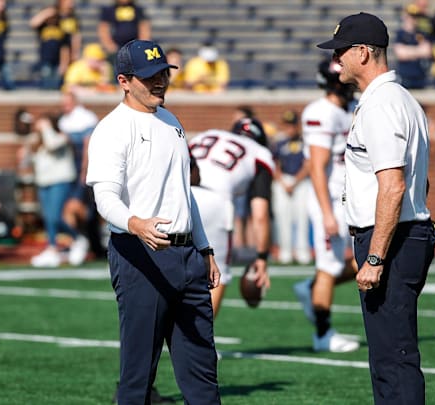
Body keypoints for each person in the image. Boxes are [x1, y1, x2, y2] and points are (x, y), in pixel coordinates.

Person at [85, 39, 223, 404]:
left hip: (187, 256)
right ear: (124, 81)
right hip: (140, 255)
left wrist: (205, 246)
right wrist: (136, 224)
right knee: (138, 374)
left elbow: (182, 192)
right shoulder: (112, 129)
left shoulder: (171, 121)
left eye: (163, 72)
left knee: (203, 372)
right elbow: (105, 198)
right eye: (149, 76)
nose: (160, 81)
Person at [318, 12, 435, 404]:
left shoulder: (382, 105)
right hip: (400, 233)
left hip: (392, 237)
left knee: (393, 357)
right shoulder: (397, 99)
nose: (337, 61)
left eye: (342, 52)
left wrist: (375, 255)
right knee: (389, 355)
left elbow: (392, 185)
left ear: (364, 53)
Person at [292, 59, 360, 353]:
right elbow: (318, 167)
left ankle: (310, 288)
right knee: (328, 266)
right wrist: (327, 212)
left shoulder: (349, 109)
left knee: (366, 260)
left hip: (349, 198)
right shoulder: (320, 112)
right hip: (329, 200)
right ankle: (323, 334)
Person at [189, 117, 274, 317]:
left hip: (180, 195)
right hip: (214, 200)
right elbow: (260, 214)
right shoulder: (260, 153)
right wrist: (261, 257)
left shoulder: (207, 134)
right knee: (216, 274)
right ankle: (199, 345)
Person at [22, 114, 85, 268]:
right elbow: (27, 162)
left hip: (60, 181)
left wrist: (46, 128)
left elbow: (52, 145)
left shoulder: (61, 137)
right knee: (48, 218)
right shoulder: (38, 141)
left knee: (55, 217)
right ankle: (52, 248)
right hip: (44, 183)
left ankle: (78, 239)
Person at [59, 91, 102, 262]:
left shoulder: (86, 118)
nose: (65, 106)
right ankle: (78, 240)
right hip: (68, 170)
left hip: (82, 171)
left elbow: (88, 145)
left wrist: (85, 170)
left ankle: (86, 241)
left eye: (67, 102)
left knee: (84, 210)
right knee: (70, 209)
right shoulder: (64, 120)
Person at [271, 110, 311, 265]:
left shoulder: (305, 142)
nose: (289, 128)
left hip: (300, 182)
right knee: (283, 217)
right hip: (283, 181)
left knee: (302, 217)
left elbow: (308, 164)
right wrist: (282, 181)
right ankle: (285, 251)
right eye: (287, 125)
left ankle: (302, 251)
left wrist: (295, 181)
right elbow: (275, 164)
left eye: (292, 125)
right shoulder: (279, 143)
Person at [29, 0, 79, 90]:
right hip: (45, 59)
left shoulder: (61, 27)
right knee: (46, 85)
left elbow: (65, 47)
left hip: (58, 60)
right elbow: (33, 23)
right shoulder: (43, 26)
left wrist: (64, 63)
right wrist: (46, 12)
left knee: (56, 86)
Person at [393, 7, 432, 89]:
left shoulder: (421, 34)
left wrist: (408, 51)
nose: (413, 19)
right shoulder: (400, 34)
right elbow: (401, 54)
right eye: (411, 16)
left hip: (420, 76)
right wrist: (419, 51)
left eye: (415, 17)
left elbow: (427, 51)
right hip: (405, 76)